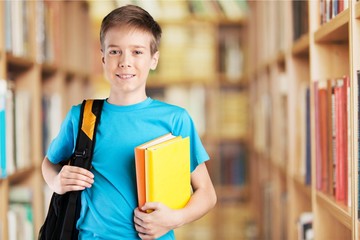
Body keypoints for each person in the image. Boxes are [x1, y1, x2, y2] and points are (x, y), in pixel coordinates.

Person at [41, 4, 217, 240]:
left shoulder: (176, 120)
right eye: (115, 51)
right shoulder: (83, 117)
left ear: (154, 59)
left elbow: (207, 193)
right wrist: (56, 181)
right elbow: (49, 164)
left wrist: (175, 219)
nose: (125, 61)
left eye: (137, 52)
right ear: (103, 57)